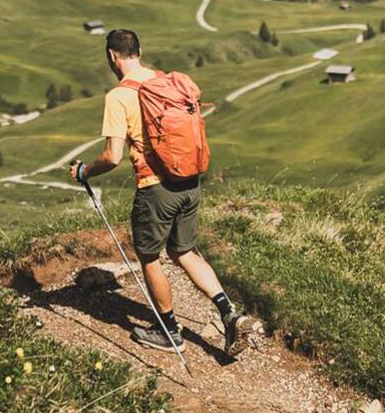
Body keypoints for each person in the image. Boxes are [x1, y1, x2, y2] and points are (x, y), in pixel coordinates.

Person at [69, 27, 252, 355]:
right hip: (190, 182)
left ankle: (168, 330)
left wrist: (84, 171)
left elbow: (111, 156)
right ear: (138, 51)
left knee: (149, 256)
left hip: (157, 187)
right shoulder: (166, 81)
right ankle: (229, 313)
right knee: (184, 251)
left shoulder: (119, 96)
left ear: (112, 56)